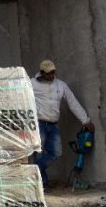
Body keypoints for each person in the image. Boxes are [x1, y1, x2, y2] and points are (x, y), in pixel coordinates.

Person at [30, 59, 94, 188]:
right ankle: (43, 184)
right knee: (38, 153)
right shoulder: (32, 84)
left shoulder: (60, 85)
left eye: (53, 73)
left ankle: (33, 171)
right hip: (39, 124)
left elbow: (73, 103)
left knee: (56, 153)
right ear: (42, 73)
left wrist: (85, 120)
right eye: (48, 73)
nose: (52, 76)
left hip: (53, 125)